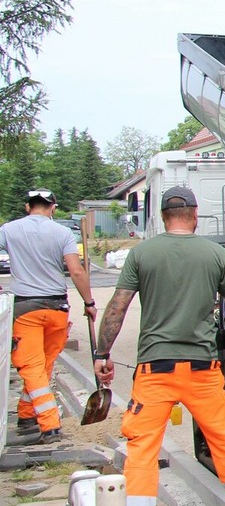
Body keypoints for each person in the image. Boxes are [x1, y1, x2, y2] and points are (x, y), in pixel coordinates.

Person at [93, 187, 225, 506]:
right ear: (195, 214)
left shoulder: (141, 254)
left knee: (143, 446)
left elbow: (117, 307)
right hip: (202, 370)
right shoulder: (215, 254)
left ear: (163, 216)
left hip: (155, 370)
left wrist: (102, 354)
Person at [0, 188, 95, 445]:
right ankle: (27, 414)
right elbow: (76, 271)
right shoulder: (63, 232)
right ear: (53, 207)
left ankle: (50, 426)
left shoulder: (9, 230)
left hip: (26, 309)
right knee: (43, 366)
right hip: (57, 308)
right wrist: (89, 302)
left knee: (32, 367)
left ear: (27, 206)